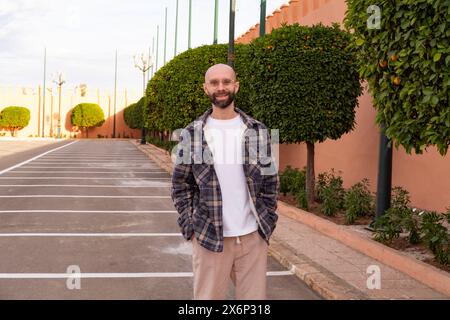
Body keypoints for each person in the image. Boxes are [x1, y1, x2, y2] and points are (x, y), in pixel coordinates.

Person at [171, 63, 279, 300]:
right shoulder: (192, 134)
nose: (221, 87)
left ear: (236, 86)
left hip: (252, 237)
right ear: (205, 88)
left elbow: (270, 182)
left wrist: (268, 220)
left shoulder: (257, 130)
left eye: (226, 82)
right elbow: (181, 185)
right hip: (209, 236)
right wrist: (190, 226)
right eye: (214, 82)